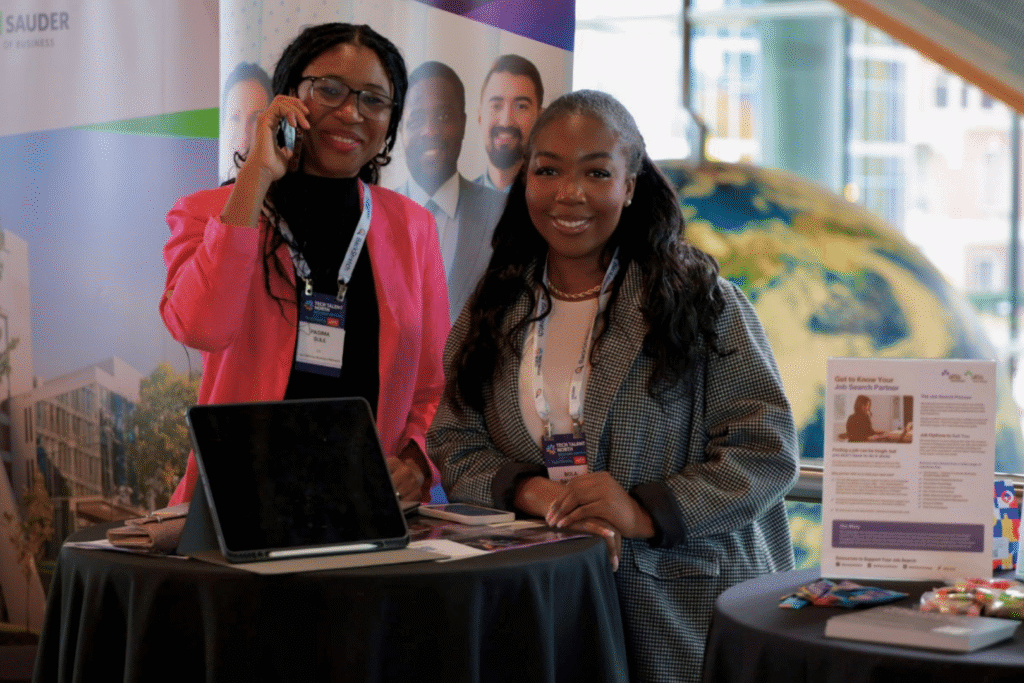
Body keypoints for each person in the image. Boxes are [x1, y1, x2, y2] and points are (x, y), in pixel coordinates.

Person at [428, 89, 799, 682]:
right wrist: (535, 495)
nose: (568, 194)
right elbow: (454, 440)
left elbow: (766, 453)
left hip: (680, 608)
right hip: (542, 601)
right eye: (547, 170)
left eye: (596, 172)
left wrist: (642, 512)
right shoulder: (495, 306)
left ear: (630, 185)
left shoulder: (702, 304)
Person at [162, 23, 449, 506]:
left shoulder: (413, 228)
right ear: (288, 97)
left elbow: (433, 387)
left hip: (366, 507)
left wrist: (416, 459)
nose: (352, 112)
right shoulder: (209, 212)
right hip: (242, 503)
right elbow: (200, 328)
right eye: (330, 91)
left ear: (390, 121)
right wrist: (256, 174)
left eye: (374, 100)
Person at [398, 60, 505, 321]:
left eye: (444, 116)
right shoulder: (374, 215)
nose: (430, 131)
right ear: (400, 129)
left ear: (464, 124)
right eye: (416, 119)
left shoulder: (503, 213)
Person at [473, 54, 543, 192]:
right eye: (496, 106)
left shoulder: (555, 206)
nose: (506, 121)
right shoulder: (455, 206)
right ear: (480, 117)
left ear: (540, 121)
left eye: (521, 106)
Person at [220, 61, 272, 181]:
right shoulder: (201, 198)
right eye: (235, 118)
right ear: (222, 125)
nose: (244, 136)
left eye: (255, 119)